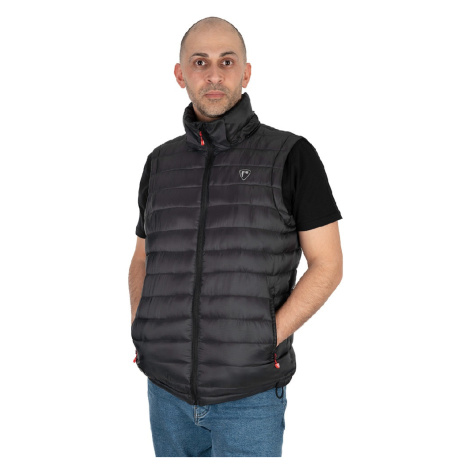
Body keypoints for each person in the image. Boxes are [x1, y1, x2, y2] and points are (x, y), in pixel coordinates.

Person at [128, 16, 343, 457]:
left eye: (226, 62)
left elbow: (328, 264)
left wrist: (266, 338)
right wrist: (142, 327)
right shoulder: (159, 163)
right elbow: (143, 258)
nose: (214, 75)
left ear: (246, 73)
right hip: (165, 393)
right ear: (180, 74)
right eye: (200, 62)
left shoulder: (292, 155)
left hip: (250, 396)